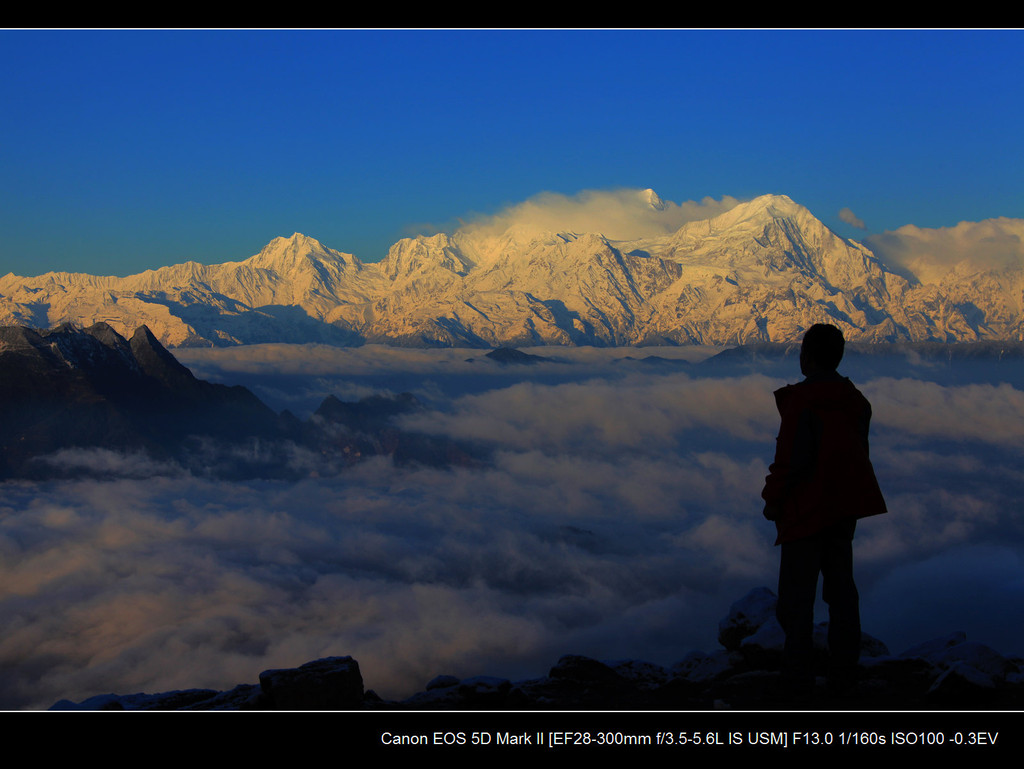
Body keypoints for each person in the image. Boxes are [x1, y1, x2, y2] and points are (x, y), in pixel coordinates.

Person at [761, 323, 887, 697]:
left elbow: (790, 460)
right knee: (841, 593)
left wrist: (773, 500)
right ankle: (843, 674)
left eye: (801, 350)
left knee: (795, 603)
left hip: (805, 512)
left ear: (809, 356)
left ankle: (797, 680)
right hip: (843, 509)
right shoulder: (856, 400)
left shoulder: (802, 401)